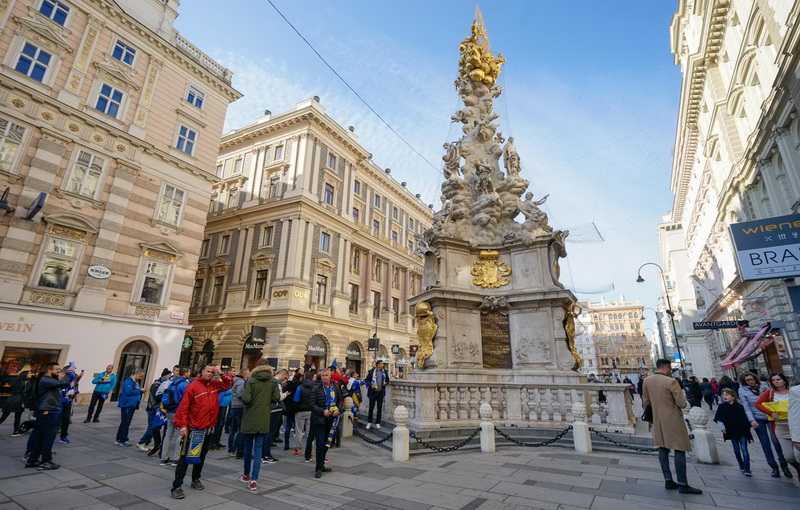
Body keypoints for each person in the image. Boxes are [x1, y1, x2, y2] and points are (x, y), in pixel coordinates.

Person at [170, 365, 233, 500]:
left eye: (212, 372)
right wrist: (183, 425)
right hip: (194, 427)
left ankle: (196, 479)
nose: (210, 374)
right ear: (202, 372)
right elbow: (184, 407)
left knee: (201, 455)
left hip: (208, 428)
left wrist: (221, 373)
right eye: (208, 371)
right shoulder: (193, 386)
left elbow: (228, 384)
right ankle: (177, 486)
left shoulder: (215, 384)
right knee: (185, 457)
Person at [642, 359, 702, 495]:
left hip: (657, 420)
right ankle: (682, 484)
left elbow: (646, 402)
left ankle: (668, 480)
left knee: (663, 449)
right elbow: (682, 403)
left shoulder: (647, 381)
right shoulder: (671, 382)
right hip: (673, 419)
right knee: (679, 449)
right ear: (668, 368)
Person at [239, 364, 282, 491]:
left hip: (250, 417)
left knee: (248, 447)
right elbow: (276, 398)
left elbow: (246, 399)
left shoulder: (251, 381)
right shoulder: (273, 381)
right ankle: (254, 480)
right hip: (264, 418)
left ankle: (246, 475)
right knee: (258, 449)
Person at [739, 372, 787, 478]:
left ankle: (783, 463)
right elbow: (746, 406)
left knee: (776, 440)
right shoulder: (743, 390)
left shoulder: (765, 386)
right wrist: (752, 420)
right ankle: (773, 466)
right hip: (757, 418)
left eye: (752, 379)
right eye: (748, 380)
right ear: (744, 381)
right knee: (765, 443)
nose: (751, 381)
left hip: (771, 416)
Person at [755, 373, 799, 479]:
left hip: (796, 425)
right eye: (773, 380)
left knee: (798, 453)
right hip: (780, 426)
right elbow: (758, 404)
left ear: (784, 380)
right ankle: (798, 469)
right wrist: (771, 413)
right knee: (789, 456)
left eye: (778, 379)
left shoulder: (793, 391)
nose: (776, 381)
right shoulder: (769, 393)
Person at [25, 362, 68, 470]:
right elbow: (63, 383)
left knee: (41, 436)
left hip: (48, 411)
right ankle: (46, 460)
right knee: (48, 437)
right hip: (49, 411)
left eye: (60, 369)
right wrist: (68, 373)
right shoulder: (46, 380)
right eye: (57, 369)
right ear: (49, 371)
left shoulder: (50, 380)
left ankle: (32, 460)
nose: (59, 371)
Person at [309, 368, 341, 478]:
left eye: (326, 375)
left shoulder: (335, 387)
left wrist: (338, 410)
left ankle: (322, 464)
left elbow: (340, 401)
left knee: (327, 444)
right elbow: (312, 404)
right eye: (323, 375)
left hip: (331, 420)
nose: (325, 377)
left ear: (330, 376)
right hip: (319, 420)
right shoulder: (316, 388)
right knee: (320, 444)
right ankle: (318, 468)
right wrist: (323, 411)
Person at [714, 388, 753, 476]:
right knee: (736, 449)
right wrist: (722, 428)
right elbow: (718, 418)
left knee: (744, 450)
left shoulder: (740, 407)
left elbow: (745, 419)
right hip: (731, 431)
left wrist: (748, 428)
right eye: (723, 395)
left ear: (733, 397)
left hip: (742, 431)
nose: (725, 396)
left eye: (727, 395)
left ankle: (747, 468)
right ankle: (741, 464)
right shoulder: (722, 407)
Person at [160, 367, 190, 466]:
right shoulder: (185, 384)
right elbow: (188, 399)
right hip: (178, 411)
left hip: (169, 410)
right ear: (185, 373)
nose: (190, 373)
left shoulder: (173, 382)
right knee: (180, 434)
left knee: (168, 434)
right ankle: (176, 458)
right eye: (188, 371)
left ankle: (164, 458)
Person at [137, 369, 171, 454]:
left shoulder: (162, 383)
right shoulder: (157, 385)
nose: (170, 377)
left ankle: (148, 443)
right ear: (164, 376)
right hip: (153, 408)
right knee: (152, 426)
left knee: (155, 427)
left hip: (156, 408)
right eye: (169, 375)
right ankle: (142, 442)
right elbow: (157, 397)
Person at [263, 368, 289, 463]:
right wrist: (285, 394)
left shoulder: (270, 381)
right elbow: (277, 397)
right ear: (282, 375)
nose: (285, 380)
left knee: (267, 432)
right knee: (270, 432)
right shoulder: (277, 383)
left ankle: (264, 453)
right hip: (275, 409)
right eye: (285, 378)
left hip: (269, 408)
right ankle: (266, 454)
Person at [115, 367, 145, 447]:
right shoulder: (129, 381)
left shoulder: (135, 382)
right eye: (141, 376)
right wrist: (140, 391)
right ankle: (123, 439)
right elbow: (129, 392)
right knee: (125, 422)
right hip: (127, 404)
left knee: (125, 422)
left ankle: (119, 438)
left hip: (131, 404)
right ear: (137, 374)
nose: (141, 378)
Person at [1, 370, 31, 436]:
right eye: (29, 373)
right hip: (19, 400)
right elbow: (26, 392)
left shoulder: (15, 381)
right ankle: (16, 431)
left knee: (4, 416)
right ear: (25, 374)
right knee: (17, 416)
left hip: (11, 399)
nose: (30, 374)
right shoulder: (27, 382)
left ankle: (16, 431)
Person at [228, 368, 249, 458]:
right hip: (239, 406)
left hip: (234, 406)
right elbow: (240, 394)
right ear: (245, 374)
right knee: (240, 429)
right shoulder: (241, 382)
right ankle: (234, 448)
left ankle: (231, 448)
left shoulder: (235, 380)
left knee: (233, 429)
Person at [59, 364, 82, 444]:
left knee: (66, 418)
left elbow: (75, 384)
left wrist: (74, 392)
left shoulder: (73, 376)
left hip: (68, 400)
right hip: (58, 401)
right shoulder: (59, 379)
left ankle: (63, 435)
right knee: (57, 418)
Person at [210, 372, 233, 451]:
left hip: (223, 404)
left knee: (220, 424)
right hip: (219, 404)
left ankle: (216, 441)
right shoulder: (215, 380)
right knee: (217, 423)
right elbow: (223, 390)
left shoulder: (220, 380)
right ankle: (212, 442)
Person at [365, 360, 390, 429]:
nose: (383, 365)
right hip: (373, 392)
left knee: (379, 408)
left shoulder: (384, 372)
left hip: (380, 392)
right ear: (378, 365)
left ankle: (378, 422)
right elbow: (366, 380)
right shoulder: (372, 371)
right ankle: (369, 422)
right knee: (371, 407)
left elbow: (388, 380)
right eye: (381, 364)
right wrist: (371, 385)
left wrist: (385, 383)